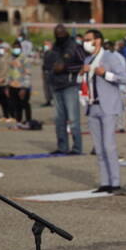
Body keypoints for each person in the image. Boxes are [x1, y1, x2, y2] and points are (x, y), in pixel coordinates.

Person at [80, 29, 126, 192]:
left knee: (109, 146)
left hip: (107, 106)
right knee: (98, 147)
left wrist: (106, 74)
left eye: (89, 39)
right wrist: (82, 74)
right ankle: (104, 182)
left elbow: (125, 79)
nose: (85, 42)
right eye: (85, 39)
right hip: (92, 106)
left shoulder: (110, 57)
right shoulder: (88, 59)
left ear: (98, 40)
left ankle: (115, 183)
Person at [48, 24, 86, 154]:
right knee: (59, 120)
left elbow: (84, 65)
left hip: (70, 86)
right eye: (57, 33)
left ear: (66, 32)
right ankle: (62, 147)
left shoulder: (75, 46)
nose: (59, 35)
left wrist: (65, 68)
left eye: (61, 33)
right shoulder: (55, 47)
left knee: (73, 119)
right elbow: (49, 65)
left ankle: (77, 148)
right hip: (56, 85)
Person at [5, 42, 32, 126]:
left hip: (22, 85)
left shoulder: (24, 59)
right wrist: (7, 86)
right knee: (16, 105)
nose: (16, 49)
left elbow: (28, 74)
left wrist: (24, 88)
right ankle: (18, 121)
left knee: (25, 104)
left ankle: (28, 121)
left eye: (18, 47)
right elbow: (9, 73)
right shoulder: (11, 59)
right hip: (13, 85)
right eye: (14, 47)